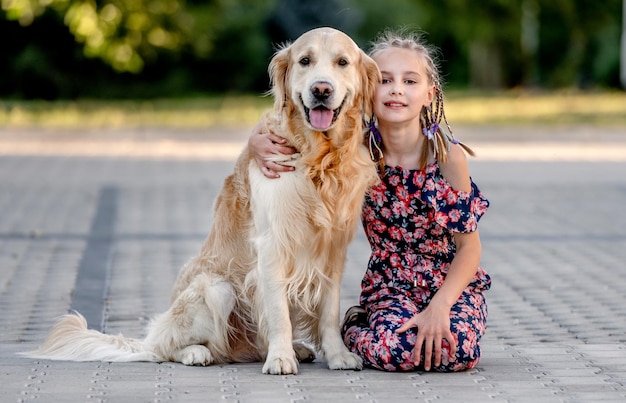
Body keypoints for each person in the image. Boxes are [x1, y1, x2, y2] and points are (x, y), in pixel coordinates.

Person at [249, 28, 491, 372]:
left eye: (410, 81)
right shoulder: (357, 152)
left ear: (429, 94)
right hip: (390, 288)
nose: (396, 90)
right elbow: (292, 132)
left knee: (457, 351)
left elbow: (470, 249)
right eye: (386, 81)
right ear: (368, 87)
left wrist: (439, 307)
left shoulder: (447, 157)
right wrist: (254, 142)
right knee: (396, 351)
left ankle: (395, 324)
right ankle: (354, 327)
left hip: (450, 287)